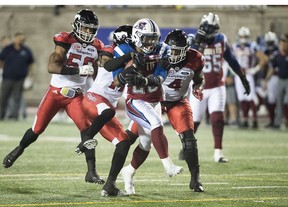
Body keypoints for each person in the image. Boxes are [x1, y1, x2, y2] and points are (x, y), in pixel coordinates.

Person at [2, 9, 105, 184]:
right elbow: (53, 66)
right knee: (37, 129)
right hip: (56, 93)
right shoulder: (65, 40)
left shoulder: (97, 46)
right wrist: (78, 70)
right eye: (85, 28)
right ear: (77, 25)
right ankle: (19, 149)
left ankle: (91, 172)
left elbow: (105, 64)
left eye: (91, 29)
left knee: (87, 131)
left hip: (76, 96)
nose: (88, 32)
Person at [120, 29, 205, 195]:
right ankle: (117, 175)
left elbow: (199, 78)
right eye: (171, 50)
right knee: (129, 139)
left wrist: (197, 87)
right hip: (152, 101)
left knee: (189, 139)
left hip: (176, 101)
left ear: (186, 50)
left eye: (177, 51)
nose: (173, 54)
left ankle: (195, 178)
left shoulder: (195, 59)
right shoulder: (158, 54)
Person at [108, 18, 184, 192]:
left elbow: (160, 76)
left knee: (146, 144)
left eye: (153, 38)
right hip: (136, 100)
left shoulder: (162, 49)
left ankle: (128, 172)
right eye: (147, 38)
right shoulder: (124, 50)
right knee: (156, 124)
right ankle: (168, 165)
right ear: (137, 36)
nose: (151, 43)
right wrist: (126, 74)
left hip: (154, 99)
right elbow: (116, 80)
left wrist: (144, 79)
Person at [75, 24, 134, 196]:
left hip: (106, 105)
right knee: (108, 112)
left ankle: (110, 185)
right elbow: (108, 65)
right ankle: (86, 139)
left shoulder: (133, 56)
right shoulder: (111, 49)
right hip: (94, 98)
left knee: (123, 142)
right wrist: (130, 56)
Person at [187, 12, 251, 163]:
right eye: (207, 28)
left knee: (217, 119)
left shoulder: (221, 39)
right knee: (193, 122)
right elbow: (187, 60)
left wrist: (243, 78)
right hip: (199, 87)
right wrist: (196, 43)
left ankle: (218, 153)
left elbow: (232, 60)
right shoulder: (193, 39)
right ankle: (187, 148)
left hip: (217, 85)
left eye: (211, 28)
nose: (208, 31)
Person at [232, 26, 268, 129]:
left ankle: (255, 121)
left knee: (250, 96)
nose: (243, 38)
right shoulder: (235, 46)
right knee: (242, 97)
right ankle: (245, 120)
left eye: (245, 36)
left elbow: (264, 59)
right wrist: (233, 71)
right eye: (242, 36)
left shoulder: (252, 46)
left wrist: (254, 69)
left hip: (248, 74)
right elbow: (229, 60)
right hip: (239, 74)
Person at [0, 32, 34, 120]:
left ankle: (14, 116)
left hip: (20, 78)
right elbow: (1, 60)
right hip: (7, 77)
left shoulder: (26, 50)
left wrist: (31, 74)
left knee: (17, 98)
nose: (20, 40)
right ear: (15, 39)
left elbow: (31, 63)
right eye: (18, 38)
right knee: (4, 97)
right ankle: (1, 115)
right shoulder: (8, 49)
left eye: (22, 39)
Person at [265, 33, 288, 129]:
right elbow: (272, 68)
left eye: (284, 44)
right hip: (279, 79)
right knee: (278, 102)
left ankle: (286, 121)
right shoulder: (276, 55)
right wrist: (266, 79)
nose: (282, 46)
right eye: (281, 44)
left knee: (287, 101)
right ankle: (277, 122)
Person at [262, 31, 279, 128]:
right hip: (269, 78)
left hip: (276, 77)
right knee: (269, 99)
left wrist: (265, 79)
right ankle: (272, 120)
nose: (270, 45)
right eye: (268, 43)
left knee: (275, 100)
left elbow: (272, 68)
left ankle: (275, 121)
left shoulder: (278, 51)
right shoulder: (265, 52)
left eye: (271, 43)